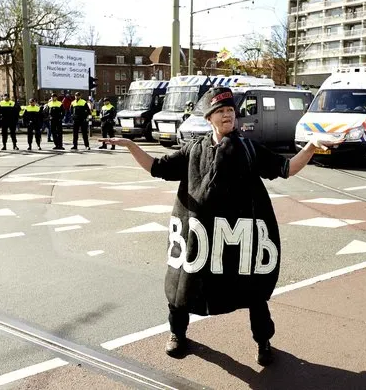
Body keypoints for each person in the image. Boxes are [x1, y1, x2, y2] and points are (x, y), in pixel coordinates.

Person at [98, 87, 342, 366]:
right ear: (210, 118)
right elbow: (159, 168)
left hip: (240, 238)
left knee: (254, 291)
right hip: (200, 240)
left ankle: (263, 341)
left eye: (230, 111)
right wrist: (131, 146)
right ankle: (177, 333)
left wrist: (310, 147)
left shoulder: (248, 148)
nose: (228, 115)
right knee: (181, 285)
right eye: (221, 112)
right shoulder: (194, 148)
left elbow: (285, 169)